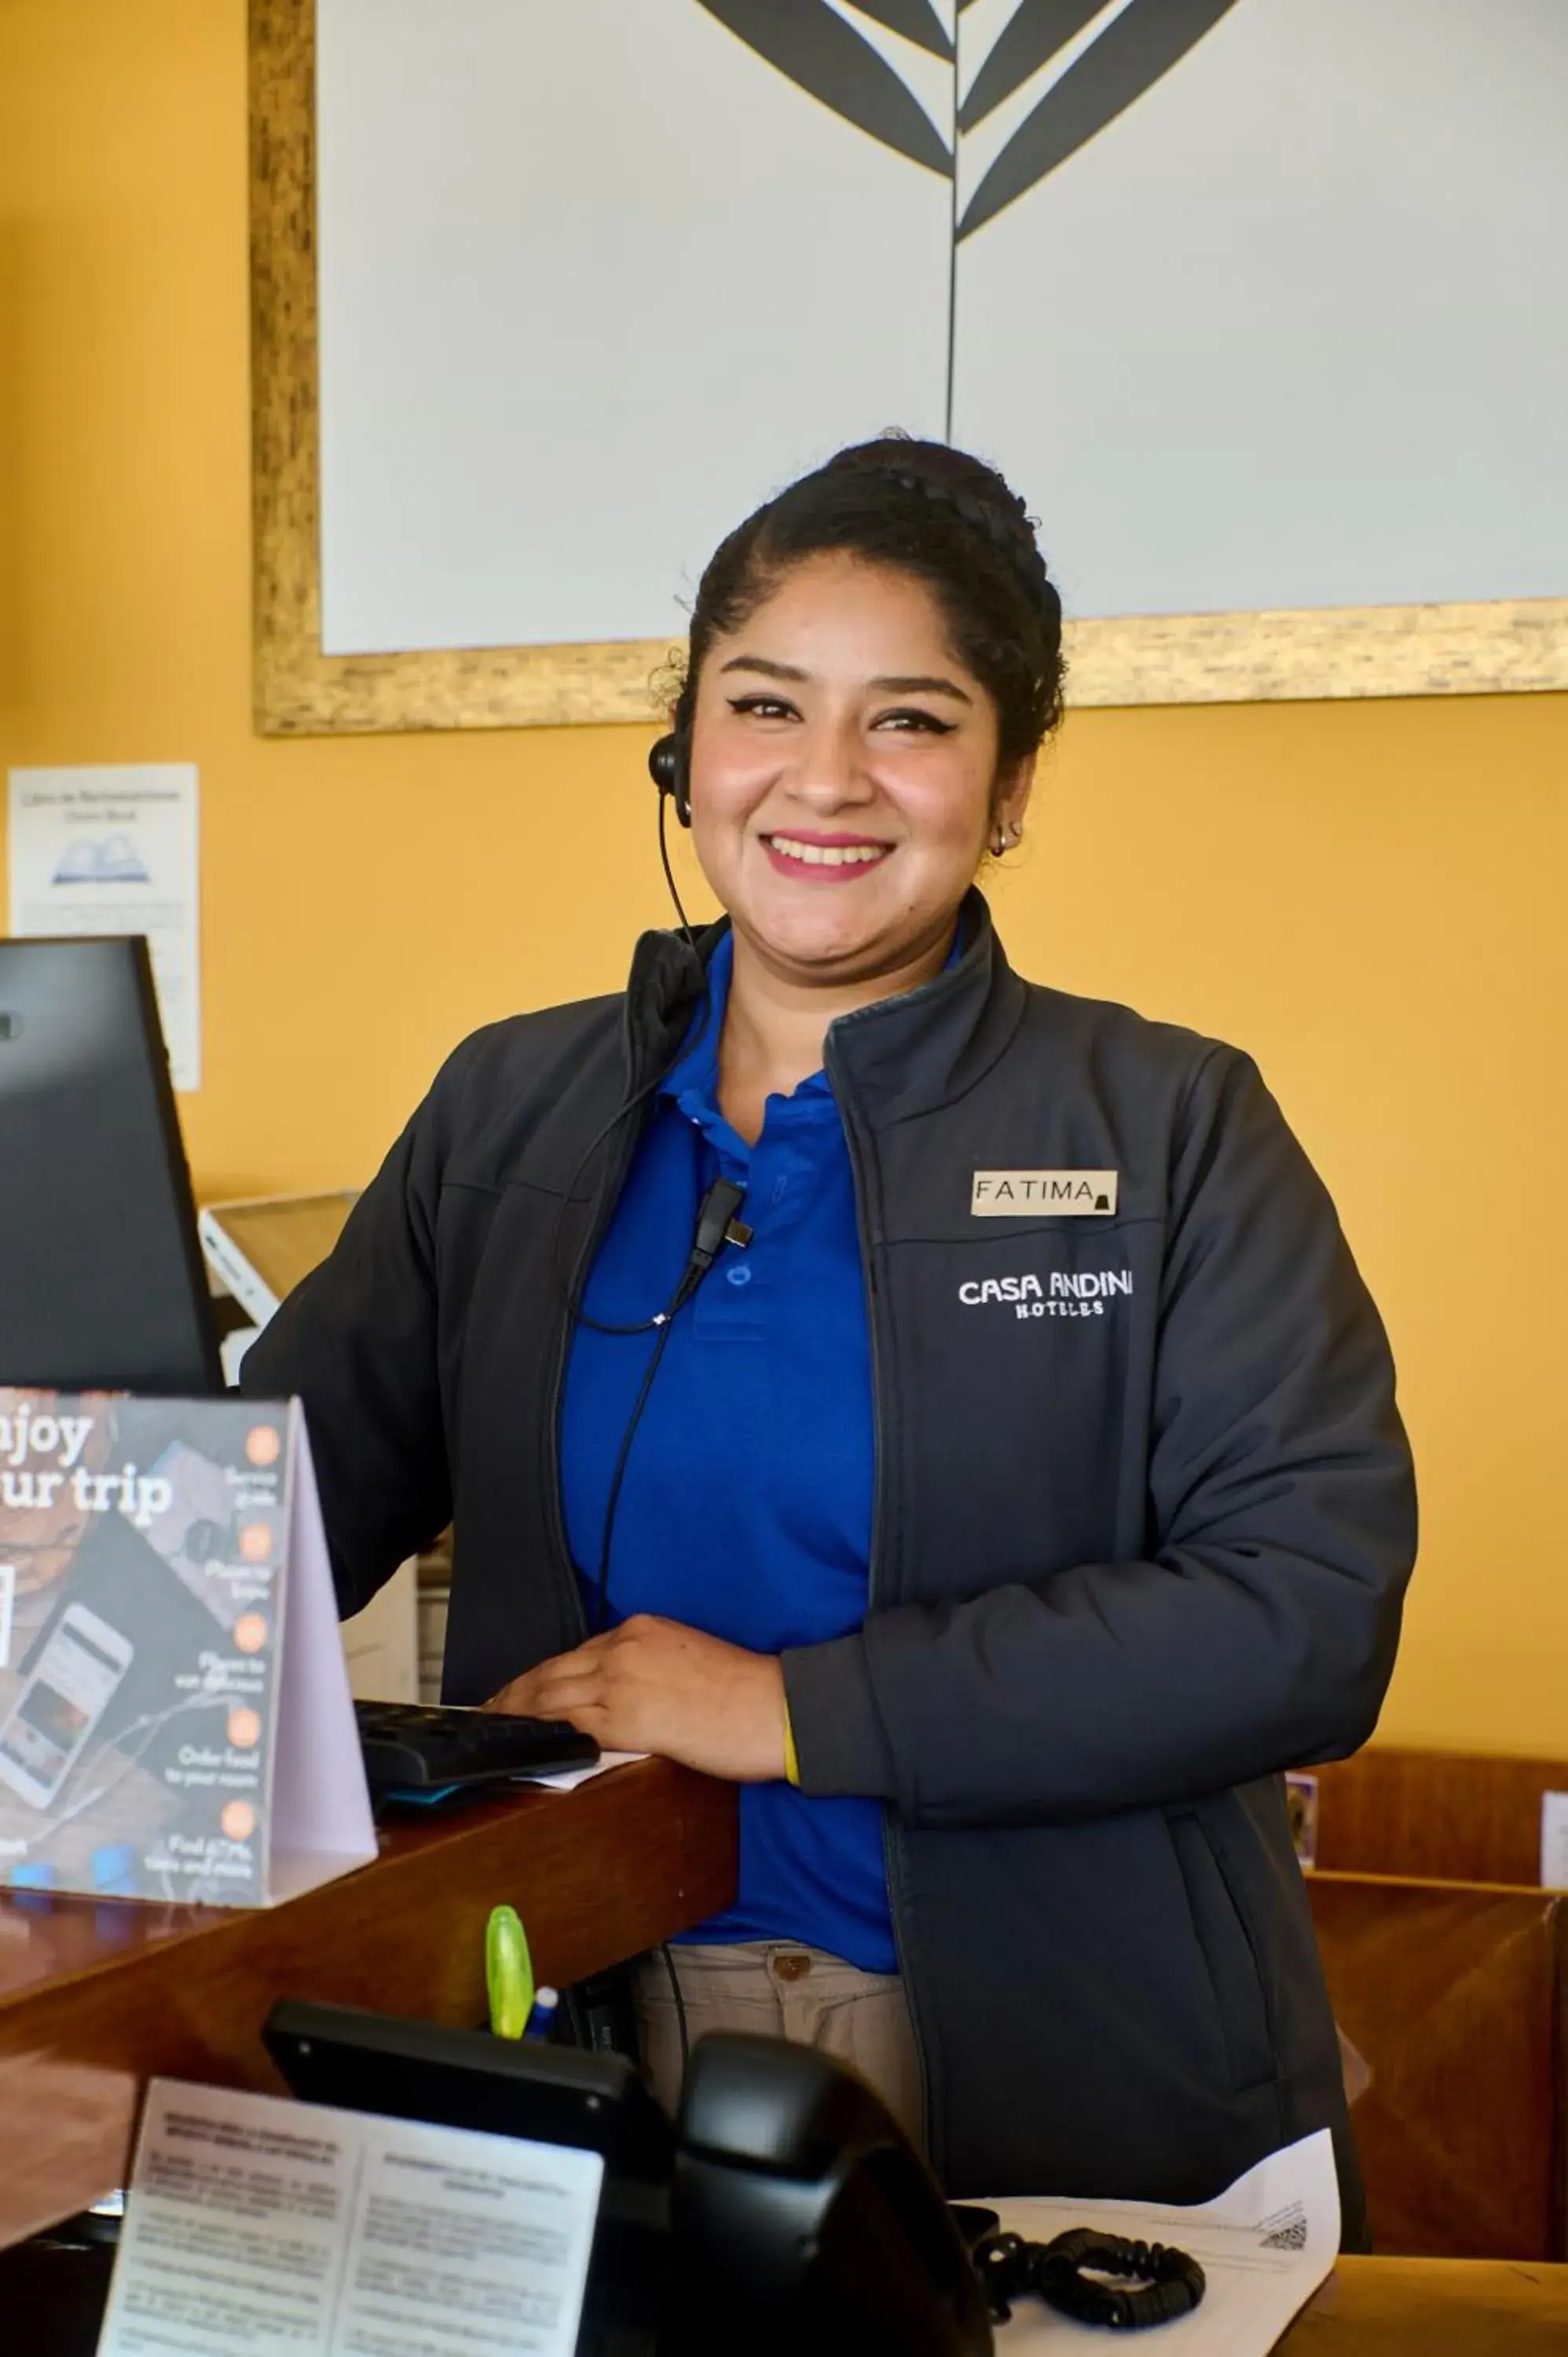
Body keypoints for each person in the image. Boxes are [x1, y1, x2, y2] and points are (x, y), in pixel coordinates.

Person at [243, 436, 1416, 2238]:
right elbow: (256, 1517)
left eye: (911, 721)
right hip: (568, 2034)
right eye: (766, 706)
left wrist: (789, 1705)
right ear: (683, 749)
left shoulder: (1165, 1126)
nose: (823, 779)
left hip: (1056, 2058)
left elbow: (1299, 1610)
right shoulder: (509, 1113)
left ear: (1010, 783)